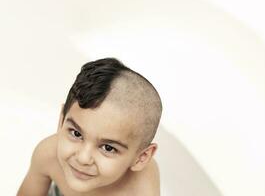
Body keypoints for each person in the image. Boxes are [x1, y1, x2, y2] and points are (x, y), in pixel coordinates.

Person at [17, 58, 163, 196]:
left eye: (108, 148)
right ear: (61, 122)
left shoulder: (141, 188)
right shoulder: (48, 155)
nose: (83, 158)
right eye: (76, 133)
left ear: (141, 158)